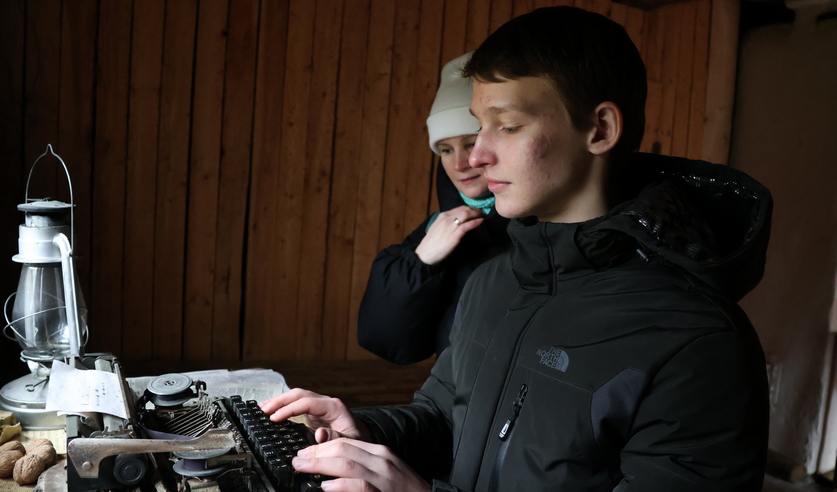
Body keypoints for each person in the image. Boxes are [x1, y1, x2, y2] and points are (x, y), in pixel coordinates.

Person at [260, 6, 772, 491]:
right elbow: (444, 418)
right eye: (478, 126)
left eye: (507, 126)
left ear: (600, 129)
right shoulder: (494, 281)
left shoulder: (698, 343)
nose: (477, 156)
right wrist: (365, 432)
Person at [357, 52, 510, 365]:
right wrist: (422, 261)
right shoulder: (438, 227)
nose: (459, 164)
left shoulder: (543, 223)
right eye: (445, 150)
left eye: (470, 143)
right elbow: (388, 341)